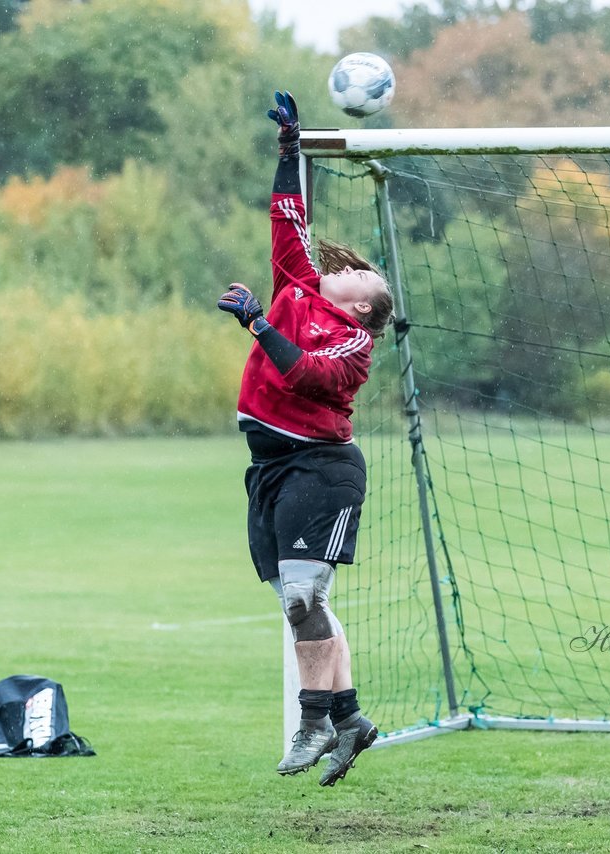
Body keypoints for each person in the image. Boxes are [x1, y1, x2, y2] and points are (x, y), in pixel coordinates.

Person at [216, 90, 394, 787]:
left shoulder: (353, 342)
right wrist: (291, 151)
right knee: (301, 599)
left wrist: (259, 327)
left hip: (322, 469)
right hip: (270, 469)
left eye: (354, 273)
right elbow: (288, 216)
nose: (340, 265)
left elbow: (311, 382)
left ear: (361, 302)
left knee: (302, 597)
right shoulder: (297, 284)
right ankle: (349, 720)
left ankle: (315, 719)